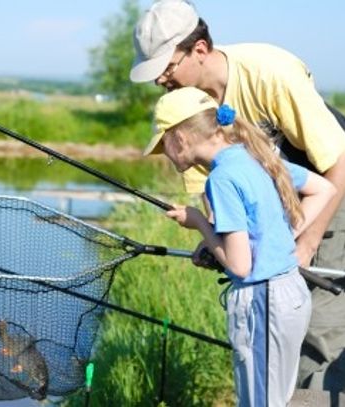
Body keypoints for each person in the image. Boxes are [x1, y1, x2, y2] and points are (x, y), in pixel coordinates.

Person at [130, 0, 345, 402]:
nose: (160, 79)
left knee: (319, 329)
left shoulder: (269, 72)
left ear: (200, 49)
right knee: (281, 339)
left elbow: (336, 166)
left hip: (333, 180)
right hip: (283, 197)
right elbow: (216, 200)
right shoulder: (196, 114)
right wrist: (212, 238)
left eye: (166, 67)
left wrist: (305, 243)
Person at [144, 86, 335, 406]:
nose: (164, 154)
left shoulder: (220, 180)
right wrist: (280, 237)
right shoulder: (256, 157)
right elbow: (324, 189)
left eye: (163, 145)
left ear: (180, 138)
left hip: (263, 302)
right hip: (290, 293)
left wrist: (200, 223)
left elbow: (240, 266)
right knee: (277, 398)